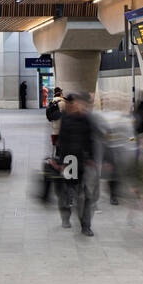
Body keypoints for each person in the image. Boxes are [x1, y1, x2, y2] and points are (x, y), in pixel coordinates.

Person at [55, 92, 99, 236]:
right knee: (68, 191)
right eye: (74, 103)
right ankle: (66, 217)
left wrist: (92, 158)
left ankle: (85, 225)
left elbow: (91, 140)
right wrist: (61, 162)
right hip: (69, 160)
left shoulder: (87, 119)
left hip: (84, 161)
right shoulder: (66, 119)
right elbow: (61, 142)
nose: (77, 106)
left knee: (86, 194)